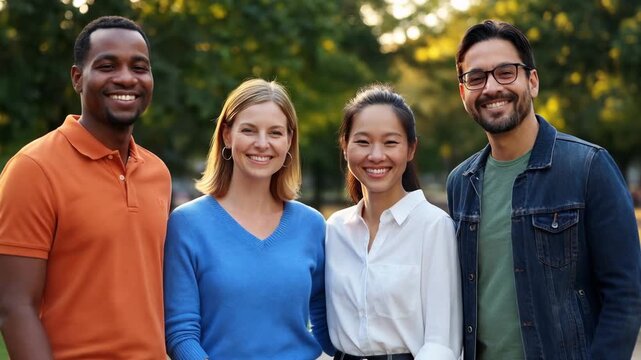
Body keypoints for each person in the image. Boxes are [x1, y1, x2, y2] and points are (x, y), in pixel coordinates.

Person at [447, 19, 641, 360]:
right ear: (464, 92)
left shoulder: (589, 167)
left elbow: (626, 295)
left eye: (506, 72)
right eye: (476, 78)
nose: (491, 87)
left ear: (532, 82)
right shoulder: (461, 183)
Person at [0, 16, 171, 359]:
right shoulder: (33, 169)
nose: (126, 78)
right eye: (107, 65)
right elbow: (13, 306)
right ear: (78, 78)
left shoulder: (157, 172)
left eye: (139, 67)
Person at [163, 78, 335, 359]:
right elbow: (180, 333)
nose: (262, 143)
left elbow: (326, 321)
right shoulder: (187, 224)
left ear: (289, 140)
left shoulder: (313, 225)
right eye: (249, 130)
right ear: (227, 136)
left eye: (276, 132)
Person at [325, 84, 462, 360]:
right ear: (345, 146)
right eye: (362, 142)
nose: (376, 156)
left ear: (411, 149)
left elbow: (442, 342)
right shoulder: (335, 229)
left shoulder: (433, 227)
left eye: (390, 142)